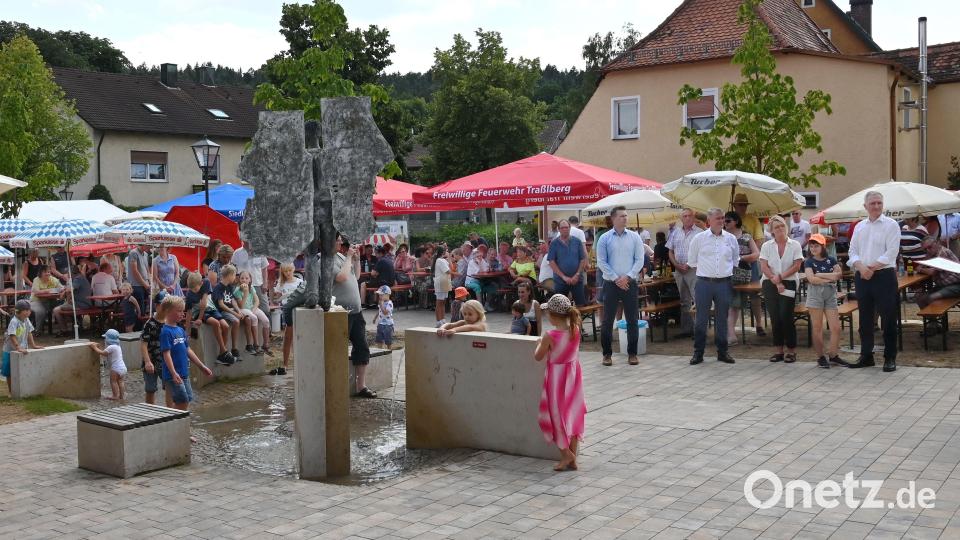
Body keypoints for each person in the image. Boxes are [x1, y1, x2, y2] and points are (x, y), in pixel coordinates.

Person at [848, 191, 901, 372]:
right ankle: (866, 356)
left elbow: (891, 252)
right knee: (865, 319)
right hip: (863, 276)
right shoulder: (859, 227)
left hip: (884, 276)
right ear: (865, 206)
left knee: (888, 319)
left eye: (879, 202)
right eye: (873, 203)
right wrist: (861, 268)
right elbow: (852, 251)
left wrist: (870, 268)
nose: (876, 206)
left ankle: (890, 357)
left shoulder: (891, 225)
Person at [533, 294, 585, 472]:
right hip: (573, 377)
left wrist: (540, 342)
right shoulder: (576, 329)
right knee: (572, 414)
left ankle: (566, 455)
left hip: (557, 379)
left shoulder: (550, 335)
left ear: (553, 316)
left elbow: (538, 356)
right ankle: (573, 457)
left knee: (555, 416)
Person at [688, 208, 739, 365]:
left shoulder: (730, 239)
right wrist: (707, 271)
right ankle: (698, 353)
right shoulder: (699, 239)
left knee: (722, 319)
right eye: (718, 218)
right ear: (709, 220)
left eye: (723, 218)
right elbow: (692, 261)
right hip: (704, 283)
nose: (721, 221)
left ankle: (723, 352)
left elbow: (735, 260)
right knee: (701, 319)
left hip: (724, 283)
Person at [596, 206, 646, 367]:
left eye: (626, 216)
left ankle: (632, 353)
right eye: (621, 216)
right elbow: (601, 262)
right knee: (607, 320)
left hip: (629, 283)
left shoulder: (634, 237)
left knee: (632, 319)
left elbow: (639, 259)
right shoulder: (604, 238)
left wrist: (628, 276)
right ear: (613, 219)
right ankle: (607, 354)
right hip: (611, 284)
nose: (625, 218)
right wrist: (616, 278)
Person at [333, 239, 376, 397]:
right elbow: (341, 277)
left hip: (356, 312)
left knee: (362, 347)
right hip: (339, 313)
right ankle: (336, 386)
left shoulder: (341, 257)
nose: (340, 244)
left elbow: (355, 276)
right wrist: (350, 257)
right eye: (337, 241)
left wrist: (356, 260)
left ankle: (361, 386)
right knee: (337, 350)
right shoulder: (324, 260)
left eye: (340, 242)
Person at [759, 215, 803, 364]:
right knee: (775, 317)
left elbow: (797, 265)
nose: (780, 229)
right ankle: (778, 350)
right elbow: (764, 266)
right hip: (769, 282)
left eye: (782, 226)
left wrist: (781, 277)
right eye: (777, 227)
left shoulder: (795, 244)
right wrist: (775, 279)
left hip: (789, 282)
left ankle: (791, 350)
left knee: (786, 316)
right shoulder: (767, 246)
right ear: (771, 231)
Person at [160, 295, 214, 413]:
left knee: (187, 398)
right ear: (168, 311)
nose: (182, 314)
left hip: (184, 373)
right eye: (179, 311)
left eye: (183, 311)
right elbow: (166, 354)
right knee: (182, 400)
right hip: (173, 375)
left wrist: (202, 366)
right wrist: (173, 373)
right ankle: (170, 421)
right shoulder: (165, 332)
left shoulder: (180, 330)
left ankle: (175, 421)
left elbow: (188, 350)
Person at [803, 234, 845, 368]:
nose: (813, 248)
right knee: (817, 327)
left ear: (823, 246)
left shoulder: (831, 260)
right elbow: (811, 279)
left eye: (816, 246)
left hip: (830, 293)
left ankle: (833, 355)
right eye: (812, 246)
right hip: (815, 294)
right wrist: (829, 278)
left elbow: (839, 275)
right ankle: (820, 356)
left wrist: (820, 275)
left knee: (836, 327)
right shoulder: (808, 261)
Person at [723, 211, 761, 345]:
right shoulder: (723, 237)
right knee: (731, 304)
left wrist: (740, 258)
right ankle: (731, 334)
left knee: (738, 304)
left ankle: (731, 333)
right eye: (724, 221)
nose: (725, 223)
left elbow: (756, 254)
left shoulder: (746, 236)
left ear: (736, 221)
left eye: (727, 221)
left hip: (743, 275)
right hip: (727, 274)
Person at [666, 208, 704, 338]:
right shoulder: (675, 232)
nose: (687, 218)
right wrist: (676, 265)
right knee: (684, 301)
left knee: (697, 299)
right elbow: (670, 251)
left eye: (689, 216)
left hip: (693, 270)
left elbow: (703, 253)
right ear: (681, 218)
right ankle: (686, 329)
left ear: (694, 218)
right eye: (685, 216)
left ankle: (698, 329)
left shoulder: (700, 233)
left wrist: (689, 264)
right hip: (679, 270)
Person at [185, 271, 234, 366]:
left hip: (210, 308)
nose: (193, 291)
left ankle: (221, 355)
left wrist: (200, 319)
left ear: (201, 283)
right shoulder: (190, 294)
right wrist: (187, 330)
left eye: (195, 289)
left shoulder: (206, 282)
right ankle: (224, 351)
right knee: (215, 323)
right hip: (198, 312)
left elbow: (204, 302)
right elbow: (189, 312)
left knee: (226, 326)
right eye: (191, 289)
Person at [915, 236, 960, 323]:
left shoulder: (943, 253)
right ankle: (933, 323)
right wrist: (927, 257)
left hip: (956, 285)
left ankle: (934, 324)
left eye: (930, 247)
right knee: (919, 297)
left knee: (932, 297)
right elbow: (920, 266)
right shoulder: (933, 255)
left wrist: (921, 269)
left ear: (937, 243)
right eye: (925, 249)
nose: (928, 250)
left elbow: (932, 272)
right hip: (944, 286)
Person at [3, 300, 43, 394]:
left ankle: (23, 390)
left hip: (23, 349)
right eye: (26, 310)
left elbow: (29, 332)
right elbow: (12, 335)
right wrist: (18, 347)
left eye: (29, 310)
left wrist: (33, 345)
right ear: (18, 311)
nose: (29, 312)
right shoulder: (14, 321)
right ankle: (11, 392)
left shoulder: (26, 319)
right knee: (9, 372)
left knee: (23, 369)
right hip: (10, 350)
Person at [549, 220, 587, 306]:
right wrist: (564, 277)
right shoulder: (554, 243)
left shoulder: (577, 241)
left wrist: (577, 275)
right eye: (562, 228)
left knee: (580, 306)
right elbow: (551, 262)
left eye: (566, 227)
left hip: (577, 280)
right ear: (559, 229)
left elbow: (582, 259)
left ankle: (577, 320)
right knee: (560, 307)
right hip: (560, 281)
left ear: (570, 228)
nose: (565, 229)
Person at [274, 262, 303, 371]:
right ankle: (285, 364)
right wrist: (277, 294)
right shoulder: (281, 284)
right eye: (285, 271)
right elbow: (276, 298)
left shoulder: (300, 282)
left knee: (299, 338)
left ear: (293, 269)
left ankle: (299, 363)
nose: (288, 273)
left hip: (299, 310)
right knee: (288, 338)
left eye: (290, 270)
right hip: (288, 310)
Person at [231, 239, 270, 315]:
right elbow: (233, 269)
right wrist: (235, 283)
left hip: (258, 284)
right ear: (242, 239)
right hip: (242, 286)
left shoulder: (260, 251)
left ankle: (268, 326)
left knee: (265, 309)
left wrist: (265, 283)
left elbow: (264, 268)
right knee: (245, 309)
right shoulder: (237, 253)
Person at [212, 264, 243, 360]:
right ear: (229, 275)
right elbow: (221, 305)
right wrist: (235, 314)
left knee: (246, 317)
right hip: (222, 311)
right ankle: (234, 348)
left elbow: (232, 300)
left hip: (231, 309)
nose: (235, 277)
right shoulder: (218, 287)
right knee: (236, 321)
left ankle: (234, 348)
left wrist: (238, 310)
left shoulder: (229, 286)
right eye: (234, 275)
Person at [236, 271, 270, 356]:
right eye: (242, 278)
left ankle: (266, 345)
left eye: (247, 278)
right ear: (239, 280)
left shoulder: (252, 288)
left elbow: (257, 301)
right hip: (243, 309)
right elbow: (241, 305)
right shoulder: (237, 290)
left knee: (266, 321)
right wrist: (245, 292)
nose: (244, 280)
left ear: (250, 280)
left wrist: (254, 309)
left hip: (252, 308)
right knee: (254, 318)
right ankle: (256, 344)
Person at [52, 266, 92, 337]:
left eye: (68, 273)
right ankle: (68, 328)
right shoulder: (81, 277)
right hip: (85, 303)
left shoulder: (78, 278)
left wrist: (64, 293)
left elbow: (69, 290)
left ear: (71, 273)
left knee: (56, 310)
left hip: (81, 305)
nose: (67, 275)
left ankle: (64, 330)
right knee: (64, 305)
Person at [140, 299, 165, 405]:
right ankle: (150, 412)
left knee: (170, 387)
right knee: (150, 389)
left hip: (165, 361)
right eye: (163, 306)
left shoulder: (170, 322)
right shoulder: (149, 324)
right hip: (152, 360)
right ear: (157, 306)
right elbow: (143, 344)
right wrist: (147, 362)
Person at [89, 329, 126, 401]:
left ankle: (115, 395)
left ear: (109, 339)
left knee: (113, 381)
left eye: (106, 338)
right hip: (123, 367)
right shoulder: (118, 346)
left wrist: (94, 347)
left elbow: (103, 353)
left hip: (116, 368)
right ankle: (122, 396)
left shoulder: (111, 347)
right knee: (120, 381)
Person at [465, 245, 497, 311]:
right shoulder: (471, 262)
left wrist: (487, 267)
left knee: (492, 287)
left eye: (480, 256)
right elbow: (480, 272)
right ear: (474, 257)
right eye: (478, 256)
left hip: (480, 280)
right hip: (470, 281)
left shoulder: (482, 260)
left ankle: (487, 305)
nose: (480, 257)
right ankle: (480, 307)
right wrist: (480, 264)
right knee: (477, 287)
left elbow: (486, 269)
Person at [29, 265, 60, 331]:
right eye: (45, 272)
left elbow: (61, 288)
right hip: (36, 301)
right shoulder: (36, 280)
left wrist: (59, 289)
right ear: (40, 273)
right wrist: (48, 290)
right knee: (41, 311)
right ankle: (37, 330)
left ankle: (62, 329)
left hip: (51, 300)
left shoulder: (53, 279)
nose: (48, 273)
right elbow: (36, 292)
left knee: (60, 307)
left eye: (49, 272)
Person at [125, 244, 151, 308]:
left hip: (145, 285)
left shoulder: (145, 254)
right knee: (139, 308)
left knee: (145, 307)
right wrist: (145, 284)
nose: (150, 247)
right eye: (148, 245)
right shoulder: (133, 253)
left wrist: (149, 281)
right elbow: (135, 271)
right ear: (143, 244)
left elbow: (147, 269)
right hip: (136, 285)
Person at [432, 245, 452, 327]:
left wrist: (449, 259)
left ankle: (442, 319)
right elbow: (448, 271)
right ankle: (438, 321)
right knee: (439, 302)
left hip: (445, 282)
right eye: (446, 250)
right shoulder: (440, 260)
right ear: (443, 252)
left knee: (443, 302)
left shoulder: (443, 260)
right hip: (441, 282)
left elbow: (451, 267)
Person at [373, 285, 395, 350]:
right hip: (380, 323)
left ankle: (389, 350)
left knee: (388, 340)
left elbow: (385, 312)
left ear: (388, 295)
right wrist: (375, 318)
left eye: (381, 295)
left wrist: (382, 304)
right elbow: (379, 311)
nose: (380, 297)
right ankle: (380, 350)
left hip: (388, 325)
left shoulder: (389, 304)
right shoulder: (381, 303)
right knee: (379, 339)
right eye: (379, 295)